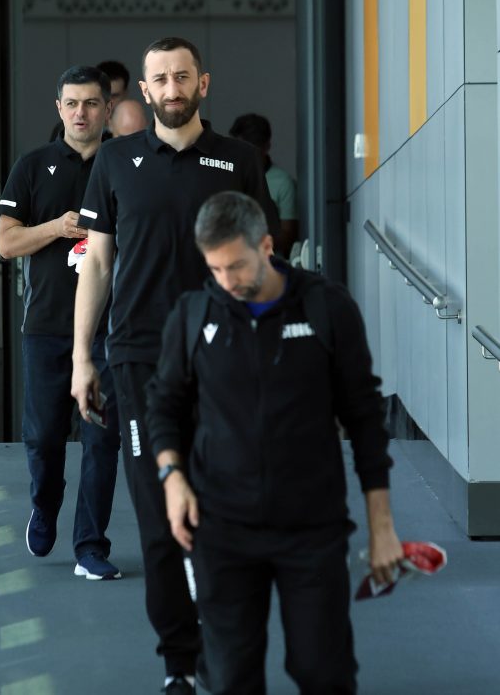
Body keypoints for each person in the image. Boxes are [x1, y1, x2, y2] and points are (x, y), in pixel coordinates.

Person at [71, 37, 280, 694]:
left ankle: (222, 639)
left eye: (181, 77)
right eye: (159, 79)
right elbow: (97, 263)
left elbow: (265, 262)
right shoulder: (114, 160)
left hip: (226, 360)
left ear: (202, 84)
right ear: (144, 88)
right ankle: (179, 663)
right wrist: (81, 357)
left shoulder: (239, 161)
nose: (171, 89)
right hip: (138, 361)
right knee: (161, 520)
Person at [146, 190, 404, 695]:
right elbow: (163, 405)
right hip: (222, 528)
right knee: (230, 679)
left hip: (311, 528)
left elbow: (366, 420)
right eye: (215, 269)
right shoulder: (194, 315)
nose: (227, 281)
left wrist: (382, 528)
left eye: (237, 266)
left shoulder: (326, 307)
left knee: (321, 673)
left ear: (266, 246)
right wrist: (172, 477)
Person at [0, 65, 122, 581]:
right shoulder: (33, 166)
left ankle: (90, 546)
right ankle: (44, 506)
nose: (80, 113)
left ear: (108, 108)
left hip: (110, 330)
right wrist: (55, 227)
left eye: (91, 103)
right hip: (46, 326)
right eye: (71, 103)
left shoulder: (126, 163)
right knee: (45, 437)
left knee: (102, 441)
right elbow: (6, 244)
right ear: (59, 108)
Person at [229, 113, 298, 257]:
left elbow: (288, 235)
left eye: (246, 151)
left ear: (266, 147)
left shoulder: (283, 183)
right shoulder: (226, 175)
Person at [49, 59, 131, 141]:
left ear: (126, 94)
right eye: (72, 103)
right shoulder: (65, 129)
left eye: (115, 96)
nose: (108, 100)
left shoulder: (133, 124)